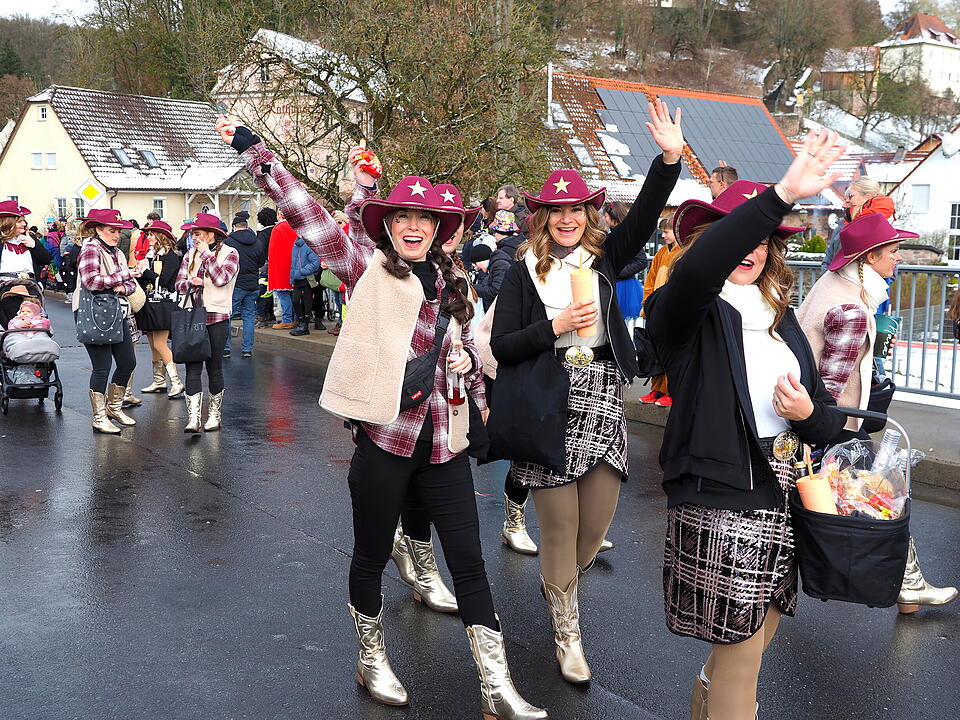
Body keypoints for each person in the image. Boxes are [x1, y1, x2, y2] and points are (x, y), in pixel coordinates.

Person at [219, 116, 547, 720]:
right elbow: (306, 213)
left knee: (471, 561)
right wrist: (253, 152)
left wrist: (471, 366)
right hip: (385, 439)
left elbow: (470, 353)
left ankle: (496, 686)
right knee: (370, 553)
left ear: (441, 230)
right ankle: (371, 658)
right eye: (403, 219)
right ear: (389, 227)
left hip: (443, 444)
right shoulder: (363, 265)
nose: (415, 227)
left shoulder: (455, 278)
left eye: (425, 220)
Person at [645, 131, 848, 720]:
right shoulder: (686, 307)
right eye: (738, 235)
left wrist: (811, 416)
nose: (751, 248)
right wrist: (781, 193)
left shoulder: (781, 323)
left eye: (763, 239)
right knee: (740, 652)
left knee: (756, 639)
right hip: (723, 493)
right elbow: (701, 268)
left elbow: (822, 419)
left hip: (786, 489)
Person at [490, 100, 683, 685]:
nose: (567, 218)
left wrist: (669, 160)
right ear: (542, 216)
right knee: (557, 526)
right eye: (556, 210)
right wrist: (554, 326)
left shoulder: (606, 258)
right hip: (547, 402)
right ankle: (567, 629)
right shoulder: (522, 268)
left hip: (600, 397)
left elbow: (648, 213)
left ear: (586, 214)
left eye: (575, 208)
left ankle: (560, 590)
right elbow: (502, 346)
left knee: (594, 527)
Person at [797, 212, 958, 616]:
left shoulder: (833, 286)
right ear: (868, 258)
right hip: (834, 425)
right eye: (892, 251)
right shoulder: (851, 308)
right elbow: (827, 385)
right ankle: (907, 586)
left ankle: (909, 587)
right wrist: (823, 432)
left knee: (879, 498)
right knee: (883, 499)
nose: (898, 258)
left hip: (832, 423)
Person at [73, 208, 141, 434]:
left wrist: (123, 282)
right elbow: (91, 281)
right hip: (92, 311)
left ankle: (113, 407)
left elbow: (130, 286)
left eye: (118, 231)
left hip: (115, 310)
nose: (116, 235)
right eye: (112, 230)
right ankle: (99, 417)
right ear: (98, 229)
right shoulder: (91, 248)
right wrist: (123, 277)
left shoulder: (117, 253)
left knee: (127, 362)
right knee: (101, 367)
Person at [174, 212, 240, 434]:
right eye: (193, 234)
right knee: (192, 367)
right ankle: (193, 418)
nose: (194, 238)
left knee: (214, 367)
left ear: (211, 235)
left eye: (198, 233)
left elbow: (221, 279)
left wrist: (206, 256)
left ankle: (214, 415)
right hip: (193, 315)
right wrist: (191, 283)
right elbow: (179, 283)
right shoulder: (189, 254)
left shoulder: (231, 253)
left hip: (217, 316)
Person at [135, 220, 184, 398]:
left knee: (159, 343)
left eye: (150, 234)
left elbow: (163, 281)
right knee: (152, 345)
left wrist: (144, 272)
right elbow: (147, 281)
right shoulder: (151, 256)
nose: (147, 237)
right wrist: (139, 272)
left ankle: (177, 382)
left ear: (160, 236)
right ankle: (159, 381)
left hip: (164, 304)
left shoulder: (170, 256)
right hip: (150, 303)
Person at [639, 213, 678, 407]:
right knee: (655, 351)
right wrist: (647, 303)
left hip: (673, 312)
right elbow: (651, 279)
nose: (663, 235)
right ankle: (656, 389)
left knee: (671, 353)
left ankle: (671, 391)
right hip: (656, 309)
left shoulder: (684, 252)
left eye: (667, 231)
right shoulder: (662, 253)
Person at [820, 175, 894, 275]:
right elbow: (829, 258)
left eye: (850, 196)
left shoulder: (881, 227)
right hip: (835, 286)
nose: (846, 202)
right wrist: (827, 279)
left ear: (867, 197)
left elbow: (891, 265)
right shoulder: (843, 225)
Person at [224, 212, 266, 357]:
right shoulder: (257, 242)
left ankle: (225, 348)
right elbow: (261, 262)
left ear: (234, 227)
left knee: (227, 316)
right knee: (248, 317)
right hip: (253, 284)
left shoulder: (228, 242)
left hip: (236, 284)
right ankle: (247, 349)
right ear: (246, 227)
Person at [605, 201, 646, 335]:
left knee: (623, 326)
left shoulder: (629, 236)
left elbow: (641, 261)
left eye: (605, 216)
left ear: (613, 216)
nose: (604, 219)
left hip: (625, 286)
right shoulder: (609, 235)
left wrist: (620, 271)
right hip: (613, 284)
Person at [474, 210, 522, 311]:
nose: (494, 235)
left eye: (494, 232)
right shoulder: (518, 245)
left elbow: (497, 289)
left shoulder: (505, 252)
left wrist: (474, 287)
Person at [0, 201, 52, 281]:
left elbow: (47, 260)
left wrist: (34, 246)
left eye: (24, 221)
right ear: (7, 223)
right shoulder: (1, 241)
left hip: (30, 287)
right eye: (19, 221)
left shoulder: (29, 237)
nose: (24, 224)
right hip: (5, 288)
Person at [267, 216, 297, 329]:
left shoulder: (278, 227)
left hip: (280, 267)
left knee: (283, 296)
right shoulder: (296, 227)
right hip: (294, 266)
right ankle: (295, 318)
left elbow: (272, 251)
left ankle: (287, 320)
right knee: (293, 295)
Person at [288, 235, 320, 336]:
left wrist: (302, 271)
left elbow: (315, 262)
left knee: (307, 301)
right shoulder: (295, 245)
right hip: (297, 278)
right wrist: (293, 277)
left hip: (306, 278)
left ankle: (305, 325)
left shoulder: (308, 245)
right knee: (295, 301)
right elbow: (293, 264)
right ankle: (301, 322)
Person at [255, 207, 278, 328]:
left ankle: (262, 316)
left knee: (263, 292)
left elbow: (260, 251)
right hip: (277, 265)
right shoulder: (277, 230)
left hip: (264, 266)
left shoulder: (262, 234)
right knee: (271, 291)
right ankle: (270, 314)